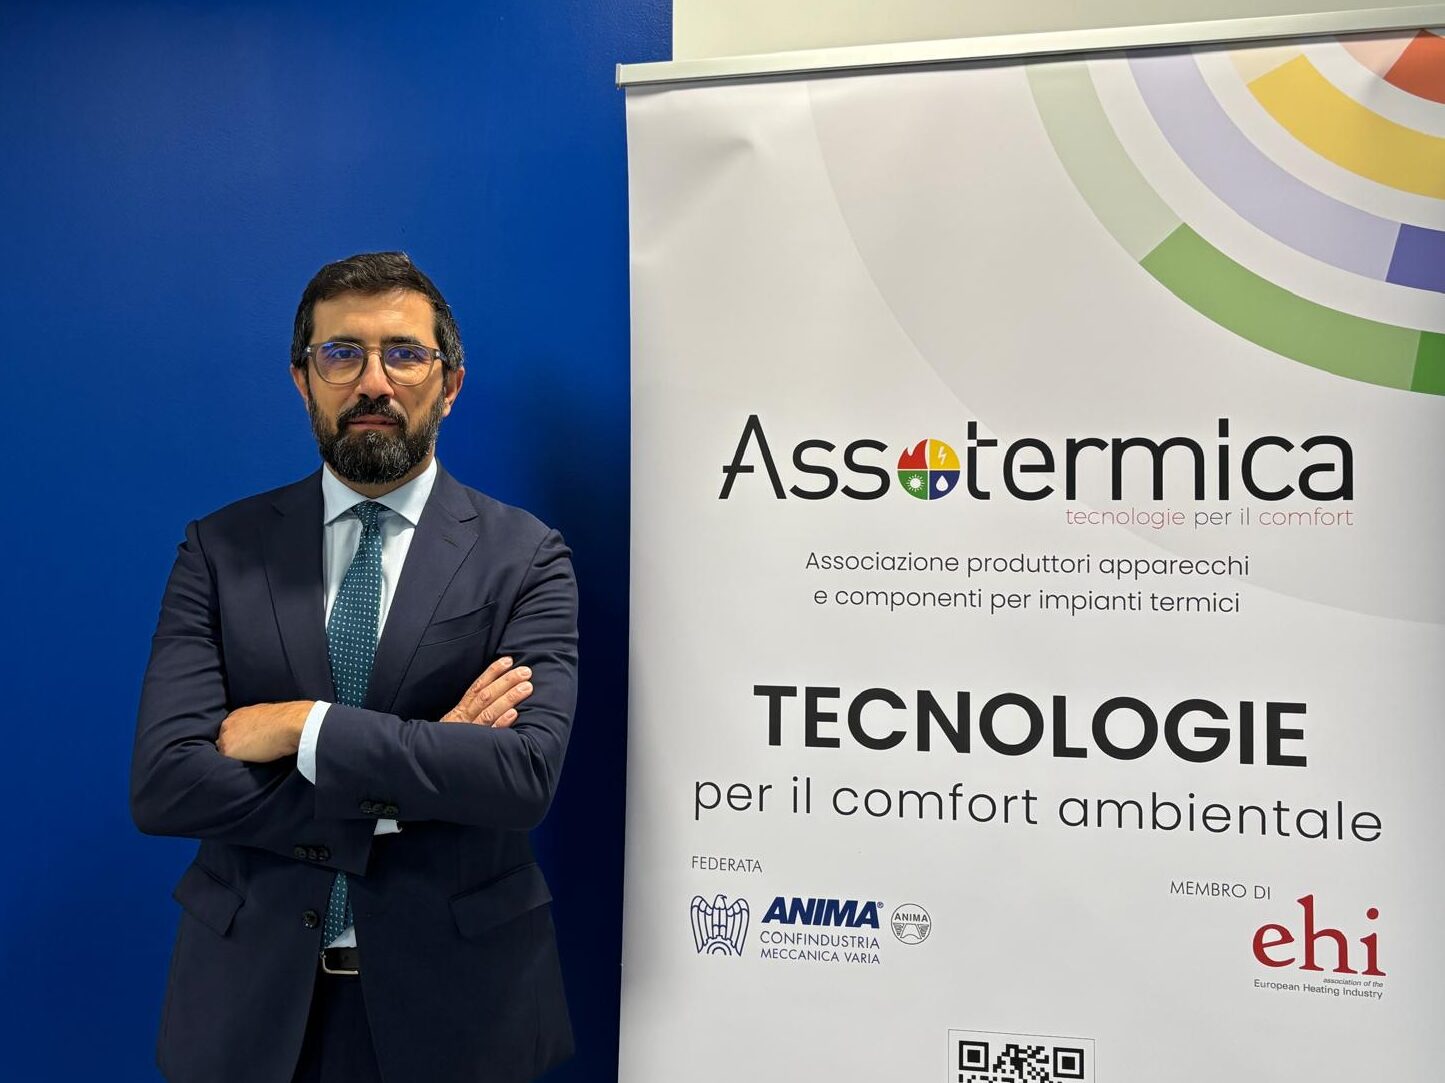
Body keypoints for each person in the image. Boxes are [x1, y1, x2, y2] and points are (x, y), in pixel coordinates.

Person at [130, 252, 578, 1083]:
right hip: (248, 1010)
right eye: (341, 354)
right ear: (302, 380)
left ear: (450, 384)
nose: (374, 381)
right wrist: (420, 771)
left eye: (404, 354)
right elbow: (167, 784)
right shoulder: (220, 550)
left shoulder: (525, 557)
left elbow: (519, 776)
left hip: (460, 1012)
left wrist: (304, 727)